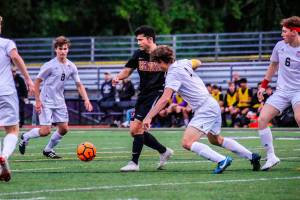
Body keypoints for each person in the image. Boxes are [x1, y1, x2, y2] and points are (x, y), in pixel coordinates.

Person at [143, 45, 261, 174]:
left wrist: (149, 116)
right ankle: (252, 156)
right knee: (216, 140)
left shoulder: (172, 73)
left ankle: (222, 160)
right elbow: (198, 62)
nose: (157, 66)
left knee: (187, 142)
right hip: (211, 103)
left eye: (157, 63)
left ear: (160, 61)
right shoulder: (182, 63)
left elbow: (165, 99)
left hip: (205, 107)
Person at [18, 36, 93, 158]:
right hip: (46, 101)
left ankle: (48, 150)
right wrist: (37, 101)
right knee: (45, 131)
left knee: (64, 129)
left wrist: (86, 99)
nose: (62, 51)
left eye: (65, 48)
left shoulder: (71, 66)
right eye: (60, 49)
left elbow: (79, 85)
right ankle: (25, 137)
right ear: (55, 50)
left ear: (68, 50)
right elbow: (37, 82)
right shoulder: (49, 65)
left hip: (59, 101)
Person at [112, 25, 173, 172]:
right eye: (137, 40)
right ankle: (164, 151)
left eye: (140, 39)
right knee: (133, 131)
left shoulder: (162, 54)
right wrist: (118, 78)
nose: (138, 42)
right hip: (143, 94)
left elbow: (174, 72)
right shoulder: (138, 54)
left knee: (137, 128)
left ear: (150, 39)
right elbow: (127, 71)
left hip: (156, 94)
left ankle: (134, 163)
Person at [257, 16, 300, 171]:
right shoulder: (279, 46)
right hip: (282, 91)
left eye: (284, 31)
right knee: (262, 119)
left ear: (294, 32)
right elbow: (273, 66)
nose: (282, 34)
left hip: (299, 91)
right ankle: (271, 157)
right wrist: (263, 86)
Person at [0, 16, 35, 182]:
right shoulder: (6, 43)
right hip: (5, 91)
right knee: (12, 130)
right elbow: (15, 57)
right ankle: (4, 156)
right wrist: (28, 79)